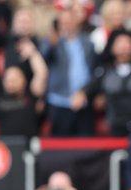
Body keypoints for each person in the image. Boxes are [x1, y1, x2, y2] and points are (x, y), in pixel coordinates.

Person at [41, 3, 96, 136]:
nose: (66, 25)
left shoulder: (87, 43)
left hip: (83, 100)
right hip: (59, 101)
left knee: (85, 145)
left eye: (69, 21)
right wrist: (51, 43)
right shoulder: (52, 42)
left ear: (76, 22)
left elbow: (94, 71)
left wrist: (85, 92)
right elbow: (44, 59)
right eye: (62, 22)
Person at [0, 46, 47, 138]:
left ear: (24, 81)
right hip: (7, 147)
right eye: (8, 80)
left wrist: (33, 53)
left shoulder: (32, 95)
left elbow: (42, 74)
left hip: (30, 147)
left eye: (15, 79)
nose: (10, 83)